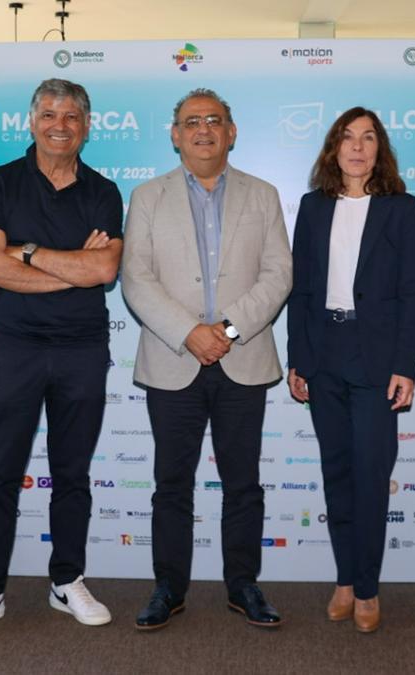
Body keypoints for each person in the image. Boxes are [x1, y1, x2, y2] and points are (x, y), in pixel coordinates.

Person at [0, 78, 123, 641]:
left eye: (72, 116)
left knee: (72, 473)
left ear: (86, 126)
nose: (60, 124)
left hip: (82, 350)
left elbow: (104, 272)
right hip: (16, 349)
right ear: (31, 121)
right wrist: (66, 268)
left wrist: (26, 251)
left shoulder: (104, 191)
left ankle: (66, 580)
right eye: (49, 114)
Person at [122, 88, 292, 631]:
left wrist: (228, 329)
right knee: (172, 484)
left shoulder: (263, 195)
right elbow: (136, 278)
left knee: (242, 482)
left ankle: (243, 585)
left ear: (232, 131)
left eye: (214, 120)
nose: (203, 130)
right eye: (191, 121)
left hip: (243, 359)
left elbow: (278, 275)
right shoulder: (147, 197)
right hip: (174, 360)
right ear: (174, 134)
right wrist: (189, 333)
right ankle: (168, 588)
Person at [285, 107, 415, 634]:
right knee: (337, 473)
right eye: (348, 138)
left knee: (371, 476)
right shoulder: (313, 206)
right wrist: (298, 358)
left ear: (379, 149)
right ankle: (344, 577)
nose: (358, 147)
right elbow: (299, 291)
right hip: (324, 354)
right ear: (333, 148)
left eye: (368, 138)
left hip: (376, 358)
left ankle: (367, 588)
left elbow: (414, 295)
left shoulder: (401, 208)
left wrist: (405, 367)